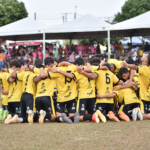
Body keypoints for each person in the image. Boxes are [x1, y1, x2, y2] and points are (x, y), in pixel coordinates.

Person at [122, 53, 150, 120]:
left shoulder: (144, 68)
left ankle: (135, 112)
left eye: (144, 56)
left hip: (144, 97)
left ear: (146, 60)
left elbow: (134, 67)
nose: (142, 55)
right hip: (148, 95)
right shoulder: (148, 68)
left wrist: (127, 65)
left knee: (142, 116)